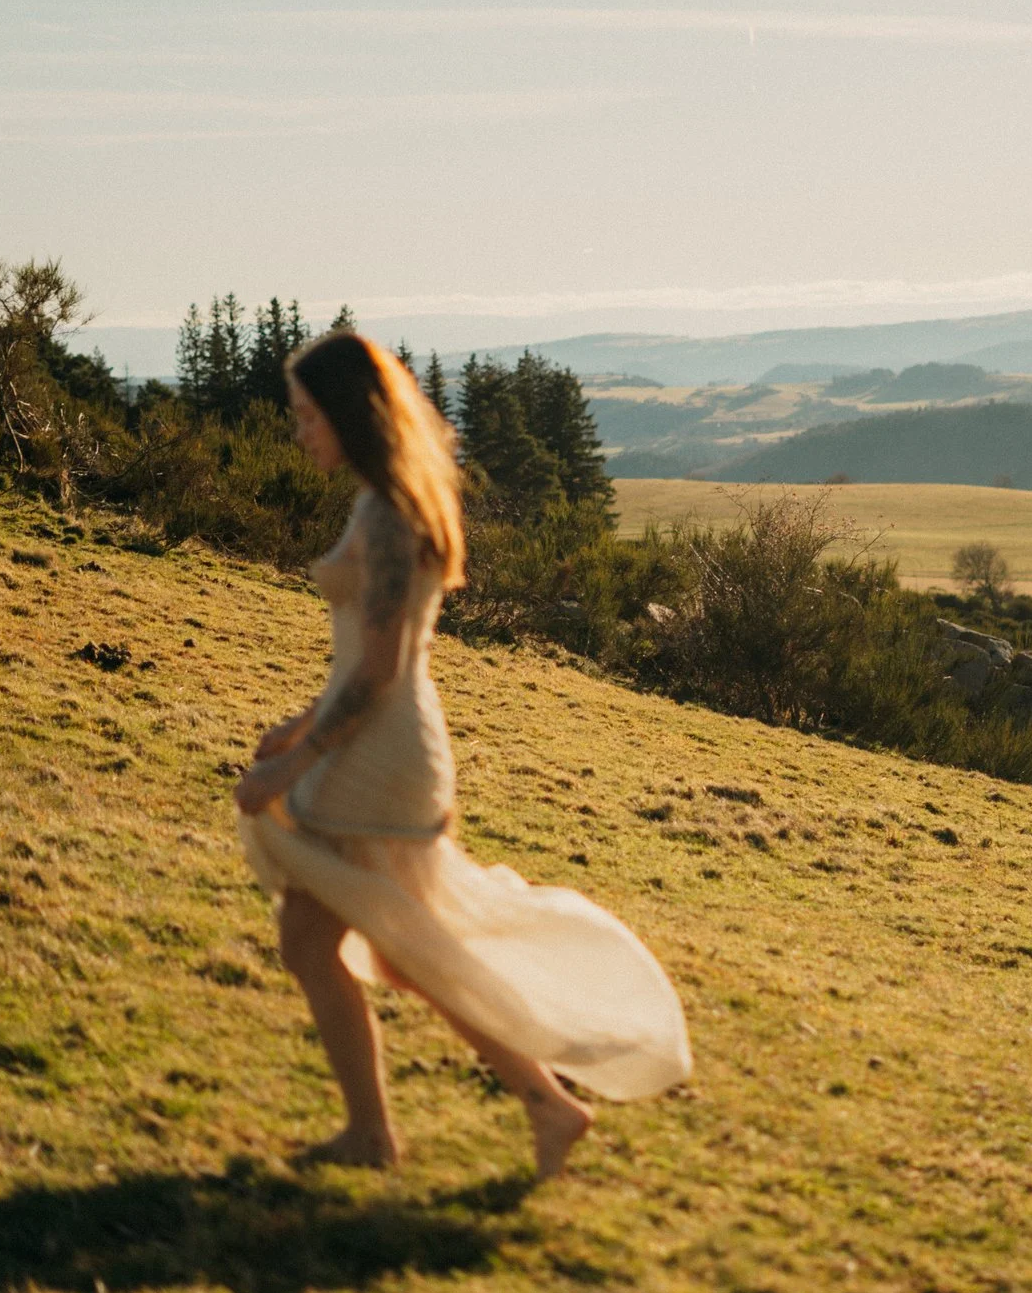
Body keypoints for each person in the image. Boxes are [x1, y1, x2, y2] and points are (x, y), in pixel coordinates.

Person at [233, 330, 690, 1178]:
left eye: (306, 416)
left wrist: (289, 766)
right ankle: (536, 1107)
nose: (298, 433)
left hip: (382, 750)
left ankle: (405, 1129)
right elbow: (362, 663)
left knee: (333, 939)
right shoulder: (385, 499)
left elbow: (377, 669)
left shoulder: (387, 513)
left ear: (346, 413)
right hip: (378, 739)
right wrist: (296, 729)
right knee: (398, 950)